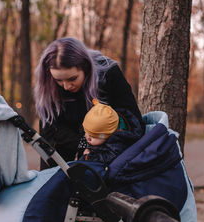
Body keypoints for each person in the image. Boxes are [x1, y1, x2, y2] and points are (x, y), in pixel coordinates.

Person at [33, 37, 143, 170]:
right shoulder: (49, 86)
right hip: (68, 137)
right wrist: (83, 143)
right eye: (59, 80)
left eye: (72, 78)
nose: (66, 86)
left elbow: (132, 120)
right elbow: (50, 134)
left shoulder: (108, 74)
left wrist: (96, 144)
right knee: (52, 180)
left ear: (85, 67)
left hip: (106, 142)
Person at [81, 99, 143, 164]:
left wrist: (88, 157)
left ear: (106, 135)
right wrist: (83, 148)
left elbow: (108, 157)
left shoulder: (116, 144)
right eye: (86, 131)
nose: (87, 137)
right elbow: (87, 137)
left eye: (92, 136)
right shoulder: (101, 130)